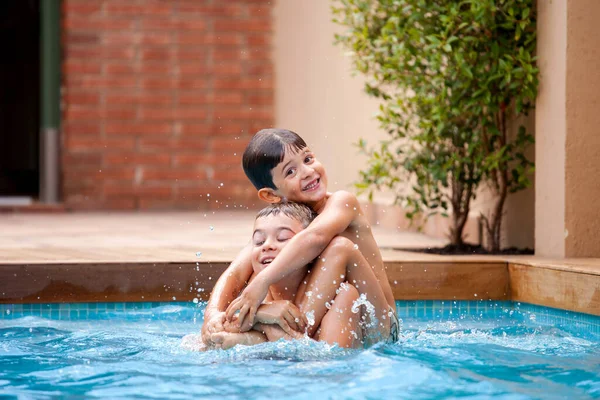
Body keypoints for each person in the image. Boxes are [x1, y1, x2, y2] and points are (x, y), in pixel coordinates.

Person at [202, 128, 398, 348]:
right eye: (290, 172)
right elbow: (235, 273)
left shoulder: (341, 203)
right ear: (271, 195)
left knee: (340, 250)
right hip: (329, 327)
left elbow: (315, 236)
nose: (306, 172)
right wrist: (212, 316)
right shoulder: (282, 222)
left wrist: (261, 284)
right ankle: (264, 336)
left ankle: (280, 334)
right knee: (265, 257)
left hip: (376, 324)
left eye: (308, 159)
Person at [201, 202, 364, 350]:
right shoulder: (254, 297)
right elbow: (207, 340)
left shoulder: (341, 296)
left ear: (311, 252)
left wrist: (259, 322)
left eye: (282, 238)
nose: (267, 246)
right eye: (258, 241)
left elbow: (329, 364)